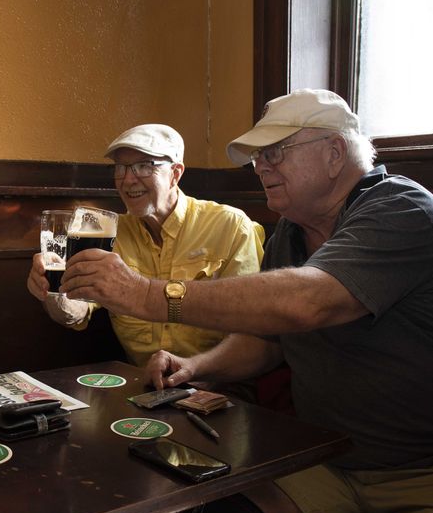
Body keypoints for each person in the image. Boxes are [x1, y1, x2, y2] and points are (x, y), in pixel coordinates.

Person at [60, 89, 433, 513]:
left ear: (333, 154)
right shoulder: (290, 234)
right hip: (339, 457)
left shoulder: (401, 208)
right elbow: (269, 342)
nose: (261, 167)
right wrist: (198, 366)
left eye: (275, 152)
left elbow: (309, 303)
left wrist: (146, 294)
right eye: (259, 157)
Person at [27, 123, 264, 368]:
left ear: (175, 173)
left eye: (144, 166)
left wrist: (195, 370)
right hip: (144, 390)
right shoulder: (110, 232)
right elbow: (74, 313)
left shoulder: (230, 226)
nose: (128, 180)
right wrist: (52, 289)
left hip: (220, 386)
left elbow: (252, 329)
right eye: (121, 167)